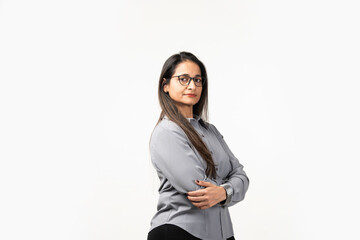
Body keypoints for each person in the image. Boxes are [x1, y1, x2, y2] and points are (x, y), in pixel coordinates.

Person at [147, 51, 249, 240]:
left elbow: (242, 175)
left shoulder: (211, 131)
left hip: (222, 234)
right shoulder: (167, 132)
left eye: (198, 80)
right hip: (180, 233)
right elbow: (199, 191)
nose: (192, 85)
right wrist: (229, 189)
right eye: (183, 79)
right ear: (166, 85)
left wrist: (221, 191)